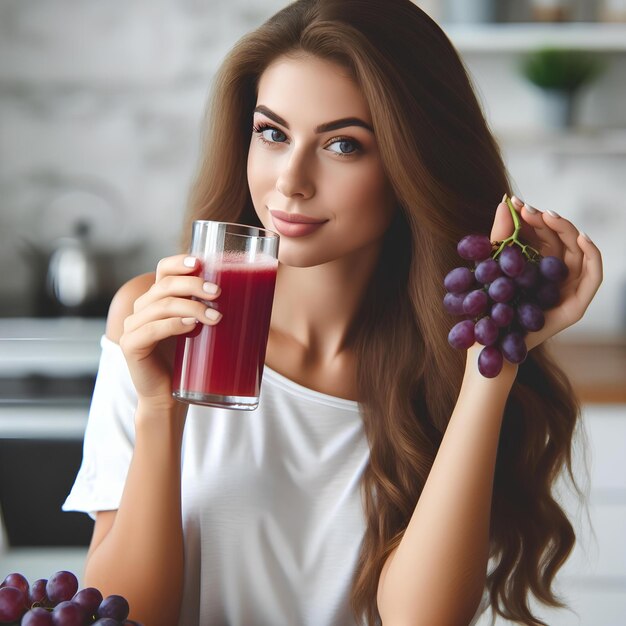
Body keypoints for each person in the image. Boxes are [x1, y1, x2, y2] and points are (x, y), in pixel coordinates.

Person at [63, 1, 603, 625]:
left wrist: (493, 363)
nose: (290, 181)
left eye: (344, 145)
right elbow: (122, 615)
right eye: (272, 133)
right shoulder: (157, 322)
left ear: (412, 163)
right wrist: (161, 410)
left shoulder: (444, 362)